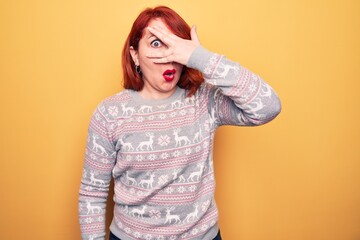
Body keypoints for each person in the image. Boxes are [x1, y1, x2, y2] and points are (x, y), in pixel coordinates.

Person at [78, 5, 281, 240]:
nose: (169, 57)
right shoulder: (109, 114)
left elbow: (268, 106)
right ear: (135, 54)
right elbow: (92, 193)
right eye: (156, 44)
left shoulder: (205, 101)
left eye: (175, 45)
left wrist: (199, 57)